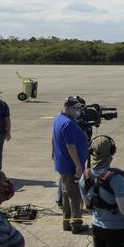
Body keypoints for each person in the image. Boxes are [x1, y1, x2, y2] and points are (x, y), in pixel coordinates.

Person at [52, 96, 90, 233]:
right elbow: (71, 147)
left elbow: (54, 139)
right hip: (70, 166)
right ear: (67, 107)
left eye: (79, 108)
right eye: (75, 108)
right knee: (75, 196)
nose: (78, 111)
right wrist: (78, 166)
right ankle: (76, 224)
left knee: (66, 193)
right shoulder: (68, 124)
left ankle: (66, 223)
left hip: (63, 164)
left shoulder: (59, 119)